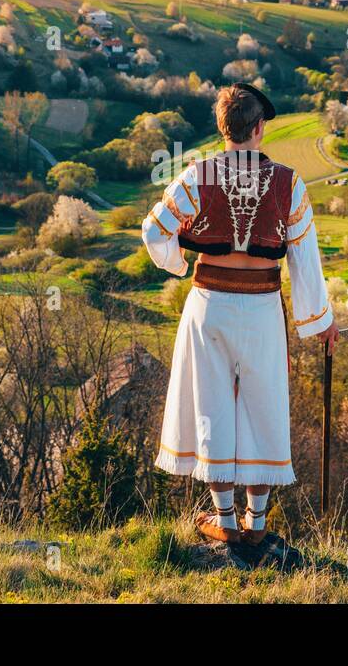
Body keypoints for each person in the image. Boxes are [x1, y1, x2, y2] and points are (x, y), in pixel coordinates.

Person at [141, 83, 337, 546]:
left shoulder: (197, 176)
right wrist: (320, 321)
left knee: (213, 408)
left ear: (224, 127)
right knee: (262, 407)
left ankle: (225, 523)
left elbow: (153, 230)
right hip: (262, 309)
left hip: (208, 305)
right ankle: (258, 524)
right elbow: (304, 259)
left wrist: (177, 261)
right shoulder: (288, 182)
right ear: (259, 127)